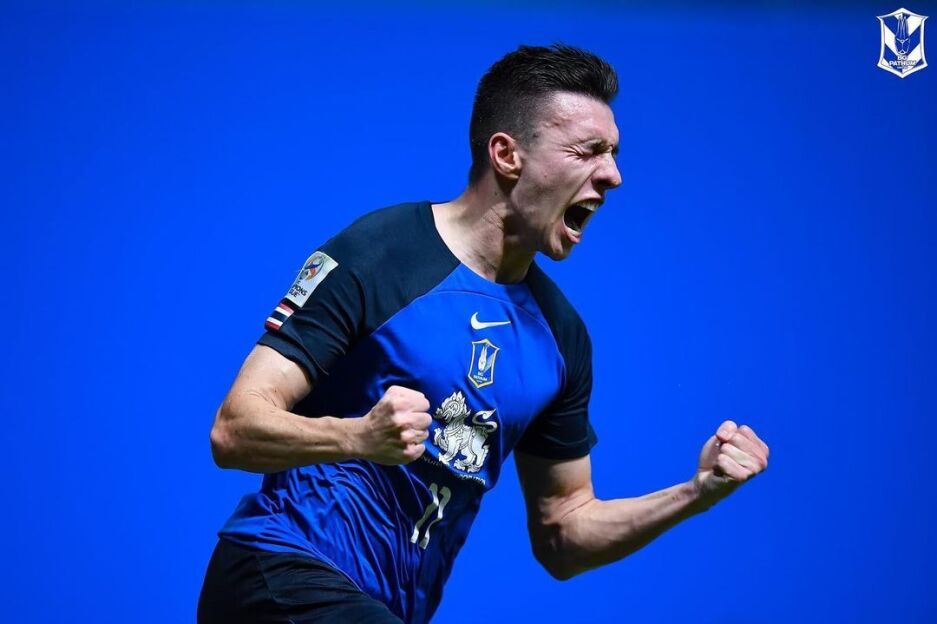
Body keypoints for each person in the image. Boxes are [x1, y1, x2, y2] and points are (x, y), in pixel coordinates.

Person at [197, 43, 770, 624]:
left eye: (614, 154)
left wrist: (696, 492)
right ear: (507, 155)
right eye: (588, 151)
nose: (614, 176)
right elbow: (235, 428)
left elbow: (564, 533)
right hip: (276, 572)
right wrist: (358, 437)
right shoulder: (383, 251)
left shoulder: (560, 336)